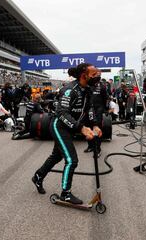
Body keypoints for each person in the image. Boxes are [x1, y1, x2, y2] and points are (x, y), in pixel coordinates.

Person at [32, 63, 102, 205]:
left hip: (70, 127)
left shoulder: (88, 90)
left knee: (56, 156)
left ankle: (38, 176)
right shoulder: (70, 90)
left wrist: (94, 124)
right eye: (94, 74)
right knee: (71, 160)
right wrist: (81, 128)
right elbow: (61, 113)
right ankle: (65, 193)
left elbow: (89, 110)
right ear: (84, 75)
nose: (98, 76)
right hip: (59, 126)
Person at [84, 75, 108, 156]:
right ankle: (90, 146)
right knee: (88, 128)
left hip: (98, 110)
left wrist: (105, 109)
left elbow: (105, 99)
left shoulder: (102, 86)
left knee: (97, 129)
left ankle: (98, 149)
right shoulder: (87, 85)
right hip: (88, 110)